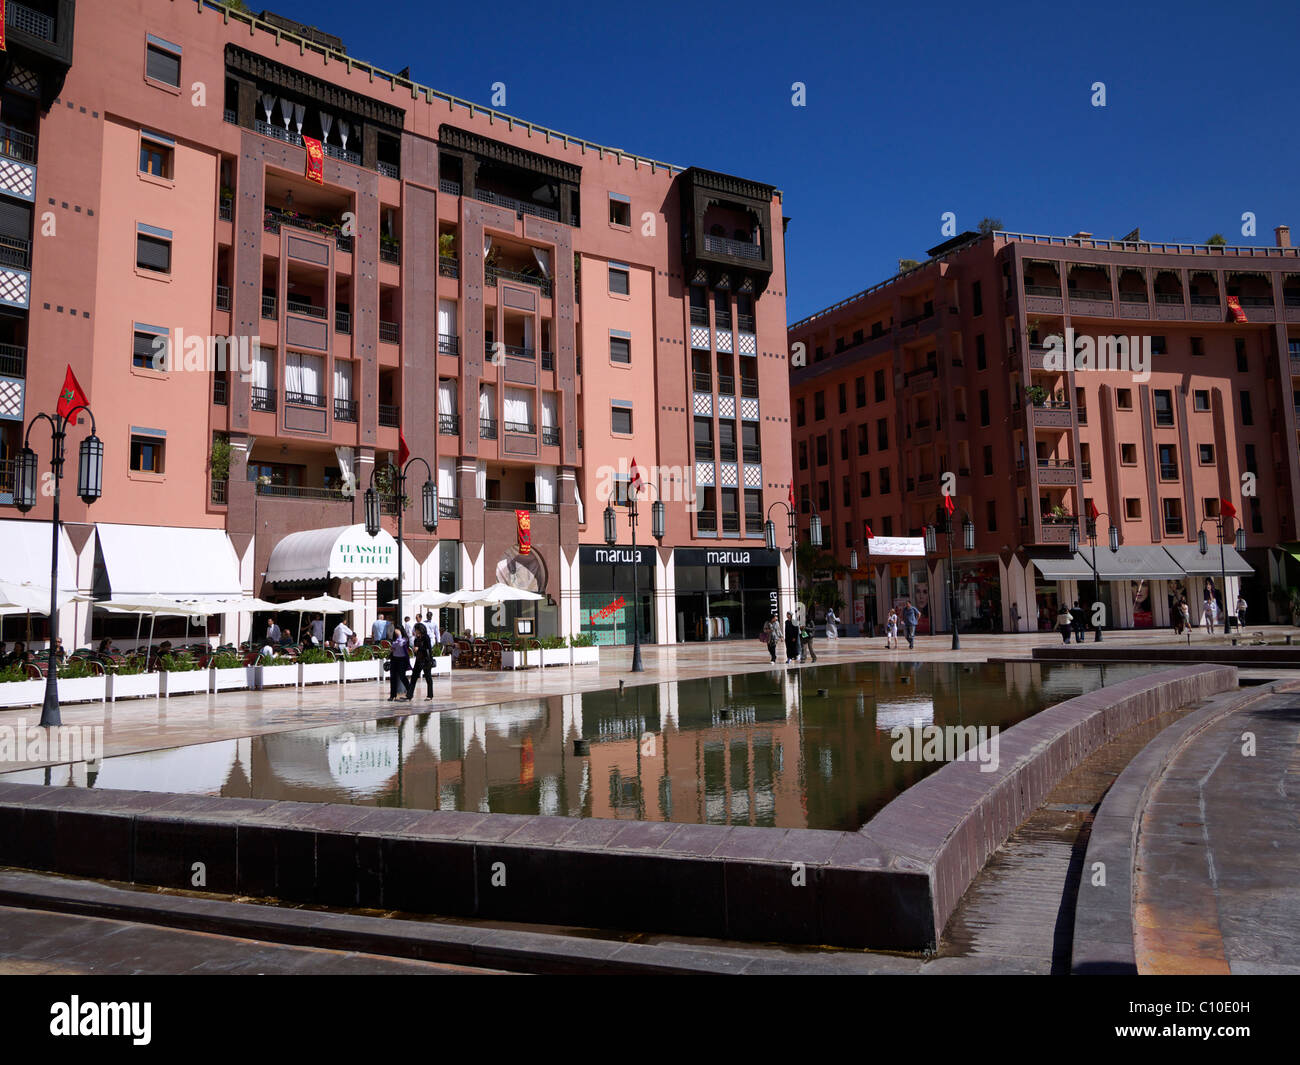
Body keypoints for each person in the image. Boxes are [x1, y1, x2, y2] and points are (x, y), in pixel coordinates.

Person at [408, 622, 435, 699]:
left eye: (416, 630)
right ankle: (409, 695)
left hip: (426, 660)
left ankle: (430, 695)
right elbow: (415, 649)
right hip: (418, 660)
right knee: (414, 677)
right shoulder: (416, 639)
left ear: (420, 630)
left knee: (428, 677)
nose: (415, 631)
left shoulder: (426, 638)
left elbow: (428, 649)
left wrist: (419, 648)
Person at [387, 624, 412, 700]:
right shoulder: (395, 639)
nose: (396, 632)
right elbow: (393, 646)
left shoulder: (405, 639)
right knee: (393, 677)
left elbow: (400, 644)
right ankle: (392, 695)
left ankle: (410, 692)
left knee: (402, 676)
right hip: (394, 659)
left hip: (402, 660)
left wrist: (400, 635)